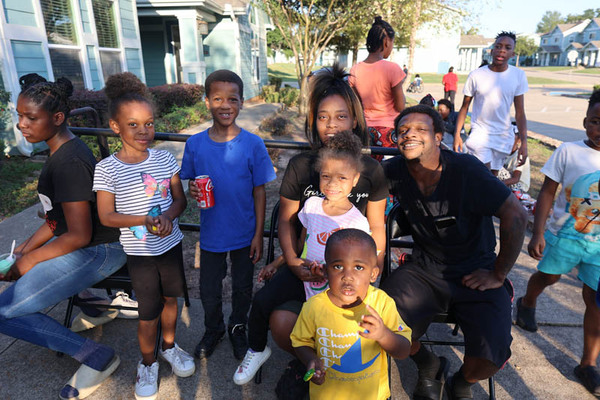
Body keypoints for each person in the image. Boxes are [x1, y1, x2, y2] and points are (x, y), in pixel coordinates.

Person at [249, 64, 388, 395]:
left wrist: (375, 266)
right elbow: (285, 219)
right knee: (274, 312)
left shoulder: (371, 171)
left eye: (341, 117)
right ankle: (304, 362)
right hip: (306, 269)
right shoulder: (302, 166)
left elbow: (378, 225)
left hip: (350, 275)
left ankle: (336, 367)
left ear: (354, 120)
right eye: (323, 117)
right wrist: (291, 261)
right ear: (313, 120)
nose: (331, 125)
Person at [381, 105, 528, 400]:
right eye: (403, 130)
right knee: (383, 324)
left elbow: (516, 214)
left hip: (476, 269)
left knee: (492, 353)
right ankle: (428, 363)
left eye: (421, 129)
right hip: (424, 269)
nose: (410, 134)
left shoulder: (466, 170)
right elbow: (352, 184)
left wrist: (498, 273)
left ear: (439, 137)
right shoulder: (393, 170)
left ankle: (461, 382)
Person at [0, 74, 125, 400]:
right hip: (87, 246)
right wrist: (20, 253)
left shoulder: (69, 162)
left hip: (101, 250)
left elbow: (80, 234)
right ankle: (97, 307)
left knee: (3, 313)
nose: (22, 125)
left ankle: (96, 357)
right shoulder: (59, 151)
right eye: (19, 116)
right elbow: (57, 222)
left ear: (57, 119)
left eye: (31, 118)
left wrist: (30, 260)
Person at [233, 131, 372, 385]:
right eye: (326, 176)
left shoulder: (358, 222)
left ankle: (321, 365)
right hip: (303, 273)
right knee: (262, 300)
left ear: (355, 180)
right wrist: (280, 262)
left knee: (325, 327)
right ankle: (256, 348)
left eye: (342, 178)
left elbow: (355, 265)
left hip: (333, 285)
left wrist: (332, 275)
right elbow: (302, 244)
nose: (332, 184)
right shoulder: (312, 206)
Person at [93, 72, 194, 400]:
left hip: (170, 245)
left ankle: (169, 347)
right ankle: (147, 362)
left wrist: (167, 216)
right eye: (133, 124)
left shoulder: (165, 159)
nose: (143, 131)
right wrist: (145, 219)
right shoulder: (107, 168)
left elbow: (180, 200)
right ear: (115, 126)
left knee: (171, 300)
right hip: (140, 253)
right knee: (147, 311)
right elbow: (106, 215)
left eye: (148, 123)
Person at [180, 70, 276, 361]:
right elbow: (190, 184)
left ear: (242, 102)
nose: (225, 105)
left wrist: (258, 234)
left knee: (242, 287)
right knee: (209, 289)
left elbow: (260, 192)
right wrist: (193, 191)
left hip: (245, 233)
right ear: (207, 101)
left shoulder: (253, 144)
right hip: (211, 235)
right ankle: (213, 329)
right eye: (218, 98)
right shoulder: (194, 144)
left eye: (232, 99)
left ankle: (237, 326)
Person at [516, 90, 600, 396]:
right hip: (564, 236)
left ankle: (588, 364)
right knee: (549, 276)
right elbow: (548, 191)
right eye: (595, 121)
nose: (599, 129)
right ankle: (527, 300)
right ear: (584, 122)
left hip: (599, 247)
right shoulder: (568, 151)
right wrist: (537, 232)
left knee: (595, 299)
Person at [291, 229, 412, 399]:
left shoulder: (381, 303)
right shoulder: (314, 307)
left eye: (358, 267)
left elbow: (403, 350)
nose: (347, 276)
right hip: (327, 394)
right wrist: (311, 360)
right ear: (326, 271)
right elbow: (300, 342)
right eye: (338, 266)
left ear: (373, 274)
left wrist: (384, 335)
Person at [453, 31, 528, 176]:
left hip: (503, 136)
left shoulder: (518, 75)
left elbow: (520, 113)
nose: (502, 50)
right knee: (484, 174)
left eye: (507, 47)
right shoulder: (476, 75)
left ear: (513, 53)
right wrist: (457, 134)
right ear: (492, 50)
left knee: (492, 177)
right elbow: (464, 107)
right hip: (480, 133)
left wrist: (524, 143)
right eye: (498, 46)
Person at [350, 16, 405, 160]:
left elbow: (356, 104)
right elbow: (400, 106)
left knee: (368, 172)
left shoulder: (355, 70)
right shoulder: (392, 69)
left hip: (364, 131)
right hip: (389, 132)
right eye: (392, 43)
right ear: (386, 42)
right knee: (389, 174)